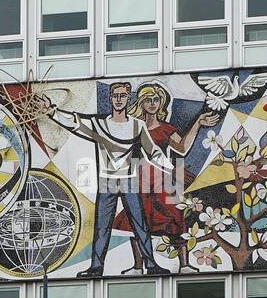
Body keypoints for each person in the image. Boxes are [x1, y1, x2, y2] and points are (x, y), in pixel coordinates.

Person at [46, 81, 175, 277]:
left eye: (122, 96)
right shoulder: (101, 124)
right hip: (107, 181)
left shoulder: (137, 125)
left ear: (128, 98)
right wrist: (52, 112)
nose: (118, 99)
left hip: (129, 180)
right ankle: (96, 267)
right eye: (115, 96)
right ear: (110, 98)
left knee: (140, 225)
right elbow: (75, 123)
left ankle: (151, 265)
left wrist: (170, 168)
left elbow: (152, 151)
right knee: (101, 227)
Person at [115, 82, 220, 273]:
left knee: (175, 217)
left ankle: (185, 265)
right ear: (141, 102)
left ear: (161, 102)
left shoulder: (165, 128)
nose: (153, 103)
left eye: (156, 99)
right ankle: (138, 266)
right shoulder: (133, 127)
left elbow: (182, 148)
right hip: (140, 179)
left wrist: (197, 123)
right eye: (148, 99)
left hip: (163, 178)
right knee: (136, 219)